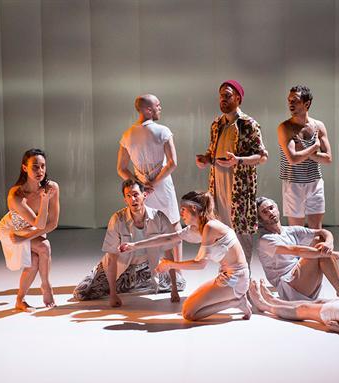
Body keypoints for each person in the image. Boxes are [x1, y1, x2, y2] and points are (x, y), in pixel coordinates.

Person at [119, 191, 252, 321]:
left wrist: (170, 264)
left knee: (189, 314)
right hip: (225, 276)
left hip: (236, 279)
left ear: (193, 208)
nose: (181, 213)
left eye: (183, 209)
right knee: (187, 309)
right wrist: (134, 245)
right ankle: (234, 299)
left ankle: (236, 302)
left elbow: (200, 264)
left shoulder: (210, 227)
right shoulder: (198, 227)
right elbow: (168, 238)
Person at [73, 179, 183, 307]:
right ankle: (125, 283)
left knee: (180, 284)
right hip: (120, 266)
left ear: (144, 195)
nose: (133, 199)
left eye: (136, 195)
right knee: (81, 293)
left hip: (146, 266)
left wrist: (174, 289)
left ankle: (133, 283)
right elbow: (112, 258)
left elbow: (169, 253)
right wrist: (113, 294)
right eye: (128, 196)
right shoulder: (117, 219)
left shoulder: (159, 217)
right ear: (125, 200)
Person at [195, 80, 268, 264]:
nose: (223, 99)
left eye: (227, 96)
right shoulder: (216, 124)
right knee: (221, 233)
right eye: (221, 96)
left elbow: (262, 156)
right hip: (218, 188)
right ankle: (227, 274)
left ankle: (244, 275)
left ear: (238, 99)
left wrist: (239, 160)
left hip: (239, 191)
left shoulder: (248, 124)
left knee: (241, 234)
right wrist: (205, 159)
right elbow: (212, 152)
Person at [117, 94, 183, 273]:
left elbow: (121, 168)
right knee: (174, 226)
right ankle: (177, 272)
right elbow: (172, 163)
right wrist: (154, 181)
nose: (160, 108)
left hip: (143, 189)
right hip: (162, 185)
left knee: (148, 229)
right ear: (148, 109)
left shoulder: (127, 135)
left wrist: (140, 184)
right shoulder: (163, 131)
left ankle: (151, 270)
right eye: (157, 105)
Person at [0, 149, 60, 312]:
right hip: (11, 230)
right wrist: (44, 201)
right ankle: (46, 286)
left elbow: (52, 223)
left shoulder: (51, 187)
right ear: (24, 168)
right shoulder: (17, 194)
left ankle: (20, 299)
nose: (40, 171)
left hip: (29, 230)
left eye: (43, 166)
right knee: (44, 247)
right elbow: (40, 224)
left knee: (34, 260)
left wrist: (25, 238)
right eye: (35, 167)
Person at [256, 196, 339, 301]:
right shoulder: (265, 240)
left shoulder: (290, 230)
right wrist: (330, 253)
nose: (270, 212)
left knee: (319, 240)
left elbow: (322, 232)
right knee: (320, 249)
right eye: (264, 212)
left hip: (302, 279)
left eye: (271, 208)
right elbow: (295, 250)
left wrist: (329, 243)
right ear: (260, 219)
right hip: (289, 288)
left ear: (277, 208)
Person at [277, 85, 332, 228]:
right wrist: (314, 147)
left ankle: (319, 245)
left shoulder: (318, 126)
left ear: (307, 104)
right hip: (293, 183)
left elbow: (328, 158)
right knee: (297, 231)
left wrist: (304, 152)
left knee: (316, 230)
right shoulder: (285, 127)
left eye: (295, 100)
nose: (290, 103)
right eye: (289, 100)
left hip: (314, 181)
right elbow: (293, 159)